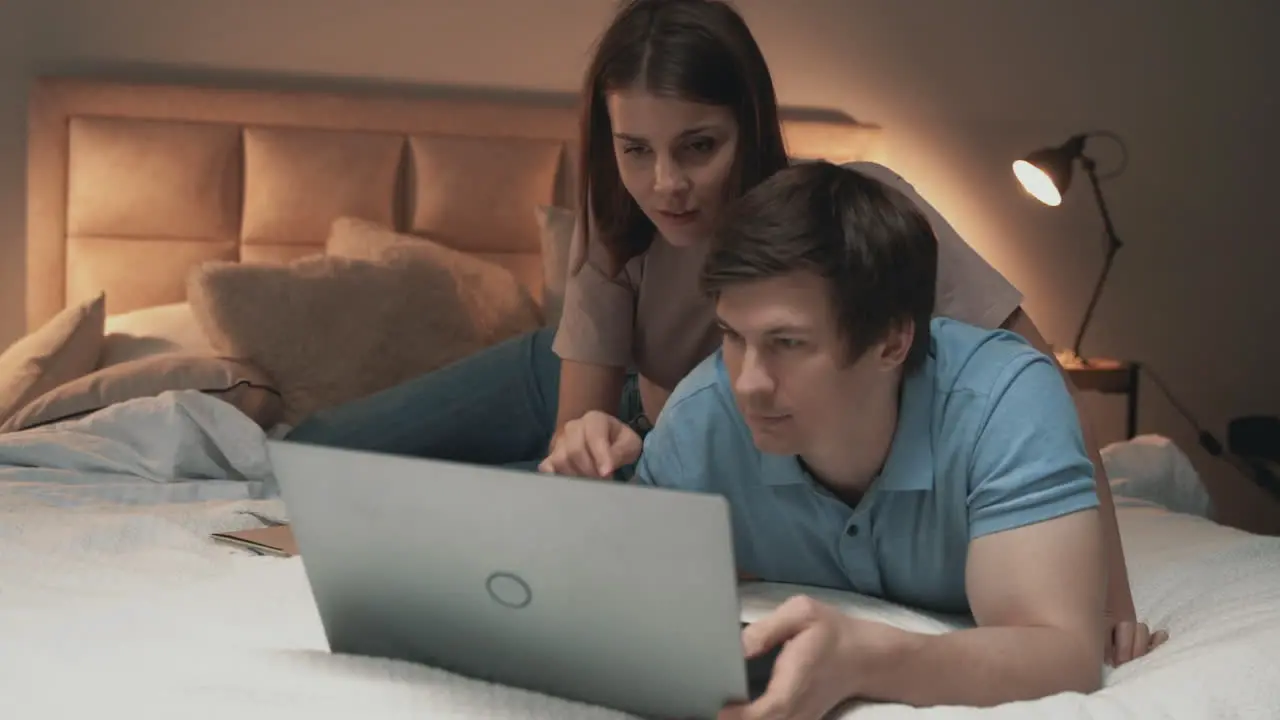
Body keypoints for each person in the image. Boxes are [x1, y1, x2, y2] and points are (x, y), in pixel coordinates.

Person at [286, 0, 1157, 664]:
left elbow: (1040, 383)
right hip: (633, 403)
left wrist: (1107, 592)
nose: (665, 184)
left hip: (696, 421)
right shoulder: (619, 235)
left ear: (749, 126)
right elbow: (578, 453)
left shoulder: (853, 221)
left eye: (697, 147)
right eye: (634, 150)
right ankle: (250, 404)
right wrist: (588, 452)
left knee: (481, 503)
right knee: (328, 451)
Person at [569, 160, 1150, 715]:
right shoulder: (701, 420)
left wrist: (867, 658)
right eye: (733, 335)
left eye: (788, 343)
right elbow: (616, 609)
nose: (747, 383)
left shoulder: (1006, 402)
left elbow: (1061, 655)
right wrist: (582, 502)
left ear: (892, 343)